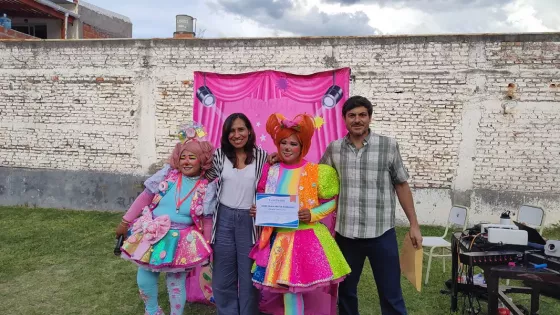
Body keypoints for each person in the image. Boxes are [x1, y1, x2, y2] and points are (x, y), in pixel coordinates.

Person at [320, 96, 423, 315]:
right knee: (346, 293)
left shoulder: (388, 146)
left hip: (381, 234)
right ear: (344, 120)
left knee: (391, 293)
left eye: (362, 115)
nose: (357, 120)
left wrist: (414, 224)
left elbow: (402, 185)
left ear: (369, 117)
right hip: (347, 235)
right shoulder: (334, 149)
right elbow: (317, 180)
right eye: (352, 115)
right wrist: (279, 161)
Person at [249, 113, 351, 315]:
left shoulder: (315, 171)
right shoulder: (272, 171)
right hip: (279, 239)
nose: (287, 148)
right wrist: (258, 210)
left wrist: (312, 214)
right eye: (284, 143)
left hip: (306, 239)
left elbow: (332, 202)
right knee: (288, 292)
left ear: (302, 146)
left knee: (294, 291)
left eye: (293, 144)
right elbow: (266, 199)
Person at [115, 122, 216, 315]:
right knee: (145, 276)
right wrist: (125, 221)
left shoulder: (206, 186)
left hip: (181, 240)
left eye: (192, 158)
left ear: (202, 161)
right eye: (183, 157)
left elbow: (208, 218)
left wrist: (208, 244)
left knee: (176, 281)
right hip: (152, 232)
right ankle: (152, 311)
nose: (186, 162)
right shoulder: (167, 176)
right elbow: (144, 196)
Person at [205, 113, 268, 315]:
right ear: (226, 134)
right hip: (223, 219)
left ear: (249, 131)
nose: (236, 134)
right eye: (232, 130)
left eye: (241, 129)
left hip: (250, 222)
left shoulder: (263, 157)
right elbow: (204, 179)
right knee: (223, 276)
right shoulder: (219, 155)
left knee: (248, 275)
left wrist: (263, 207)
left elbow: (271, 186)